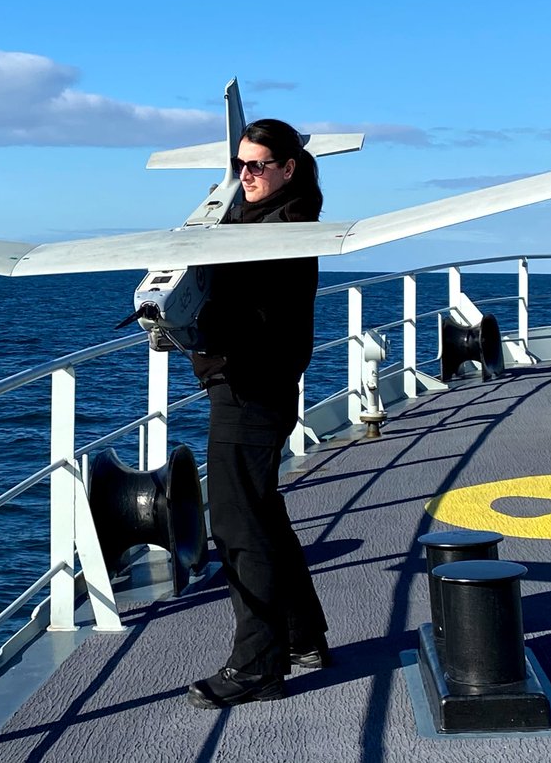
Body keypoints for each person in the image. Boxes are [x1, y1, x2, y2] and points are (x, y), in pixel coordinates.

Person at [185, 118, 330, 709]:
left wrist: (187, 322)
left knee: (238, 529)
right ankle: (302, 638)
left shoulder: (283, 233)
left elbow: (257, 318)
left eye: (257, 165)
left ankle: (256, 667)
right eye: (240, 164)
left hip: (252, 391)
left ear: (288, 168)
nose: (245, 175)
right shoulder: (259, 220)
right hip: (250, 387)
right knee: (263, 517)